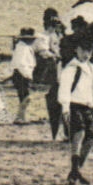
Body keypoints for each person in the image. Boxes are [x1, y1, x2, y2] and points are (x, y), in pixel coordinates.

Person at [58, 27, 93, 185]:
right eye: (83, 50)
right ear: (76, 50)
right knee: (78, 134)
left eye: (89, 51)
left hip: (86, 107)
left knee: (92, 136)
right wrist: (65, 107)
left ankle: (76, 170)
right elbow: (64, 88)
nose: (86, 54)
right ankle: (75, 171)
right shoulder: (71, 68)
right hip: (74, 105)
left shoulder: (90, 67)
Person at [34, 9, 65, 139]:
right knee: (53, 98)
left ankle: (60, 130)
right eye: (52, 24)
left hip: (59, 68)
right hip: (48, 71)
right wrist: (55, 55)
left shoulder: (57, 36)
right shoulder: (42, 37)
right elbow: (44, 52)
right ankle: (54, 131)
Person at [9, 27, 38, 124]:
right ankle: (20, 117)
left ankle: (21, 116)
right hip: (21, 74)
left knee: (24, 96)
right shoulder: (23, 48)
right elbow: (20, 63)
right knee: (25, 97)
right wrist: (27, 75)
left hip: (21, 74)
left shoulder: (23, 47)